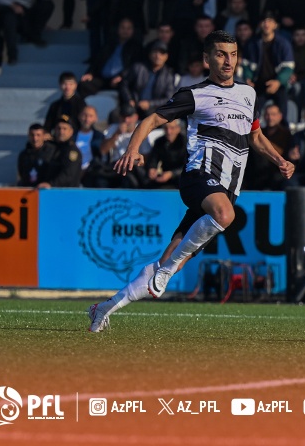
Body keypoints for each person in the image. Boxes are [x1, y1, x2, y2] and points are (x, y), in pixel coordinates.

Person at [88, 30, 294, 331]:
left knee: (162, 269)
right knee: (225, 215)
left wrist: (279, 160)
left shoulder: (248, 94)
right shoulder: (194, 94)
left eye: (233, 54)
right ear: (207, 59)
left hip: (227, 188)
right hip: (199, 176)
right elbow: (152, 120)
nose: (228, 61)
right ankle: (169, 269)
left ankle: (103, 308)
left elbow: (256, 137)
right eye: (221, 54)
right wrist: (133, 149)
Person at [79, 17, 143, 98]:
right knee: (84, 85)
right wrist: (90, 73)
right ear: (118, 29)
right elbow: (97, 60)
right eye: (123, 27)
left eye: (128, 28)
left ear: (133, 30)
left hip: (120, 79)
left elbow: (135, 66)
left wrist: (121, 76)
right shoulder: (110, 44)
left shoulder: (136, 47)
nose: (125, 31)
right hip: (102, 79)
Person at [119, 41, 178, 118]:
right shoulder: (138, 67)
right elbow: (124, 84)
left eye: (161, 53)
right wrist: (129, 99)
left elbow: (169, 98)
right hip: (134, 106)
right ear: (150, 55)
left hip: (155, 109)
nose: (158, 56)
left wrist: (150, 104)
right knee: (116, 114)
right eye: (155, 52)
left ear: (166, 56)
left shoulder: (169, 75)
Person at [243, 103, 292, 191]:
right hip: (257, 173)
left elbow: (287, 155)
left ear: (280, 116)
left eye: (273, 114)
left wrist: (265, 144)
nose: (270, 117)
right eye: (267, 114)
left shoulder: (287, 134)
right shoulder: (258, 132)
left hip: (277, 172)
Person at [38, 116, 83, 189]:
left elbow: (68, 174)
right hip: (51, 192)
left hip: (66, 193)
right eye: (58, 128)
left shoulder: (72, 151)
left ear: (71, 131)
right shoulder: (52, 148)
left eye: (64, 129)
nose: (61, 132)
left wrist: (51, 184)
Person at [144, 118, 187, 190]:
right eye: (166, 128)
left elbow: (188, 166)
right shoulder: (159, 142)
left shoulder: (185, 143)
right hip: (164, 175)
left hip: (180, 176)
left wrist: (171, 174)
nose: (169, 132)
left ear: (178, 129)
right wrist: (152, 168)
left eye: (172, 128)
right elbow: (153, 159)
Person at [16, 123, 56, 187]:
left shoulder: (52, 152)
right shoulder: (23, 155)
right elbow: (21, 174)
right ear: (28, 135)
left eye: (38, 135)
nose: (35, 139)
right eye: (32, 135)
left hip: (46, 191)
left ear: (43, 136)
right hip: (28, 190)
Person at [74, 105, 104, 183]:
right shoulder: (71, 135)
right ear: (79, 116)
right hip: (72, 172)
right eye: (85, 115)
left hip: (92, 173)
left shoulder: (99, 136)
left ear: (95, 118)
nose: (87, 119)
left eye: (91, 116)